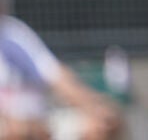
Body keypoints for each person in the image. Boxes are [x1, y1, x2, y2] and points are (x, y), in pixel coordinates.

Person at [0, 11, 124, 139]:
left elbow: (55, 75)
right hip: (15, 125)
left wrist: (93, 107)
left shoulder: (10, 32)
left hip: (39, 120)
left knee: (98, 126)